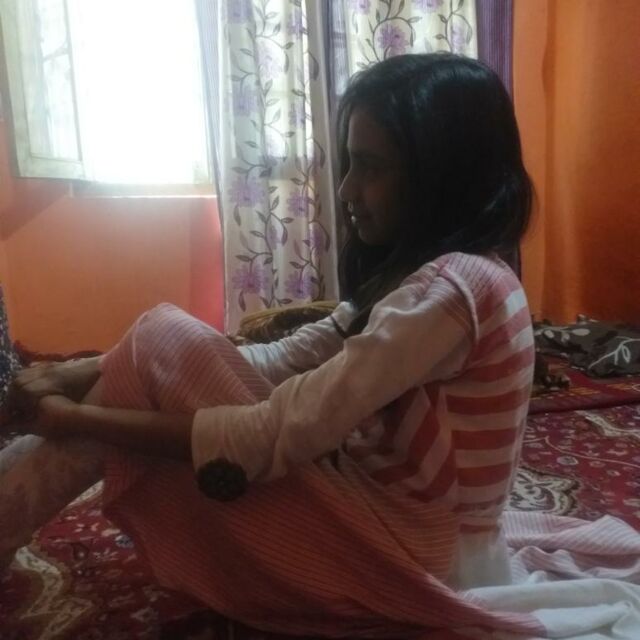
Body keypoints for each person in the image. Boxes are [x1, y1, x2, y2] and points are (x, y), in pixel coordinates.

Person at [1, 53, 535, 637]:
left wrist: (79, 417)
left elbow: (272, 433)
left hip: (414, 557)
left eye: (370, 167)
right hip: (408, 530)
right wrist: (80, 374)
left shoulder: (452, 290)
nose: (346, 189)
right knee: (167, 341)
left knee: (165, 341)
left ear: (440, 176)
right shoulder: (449, 273)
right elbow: (284, 358)